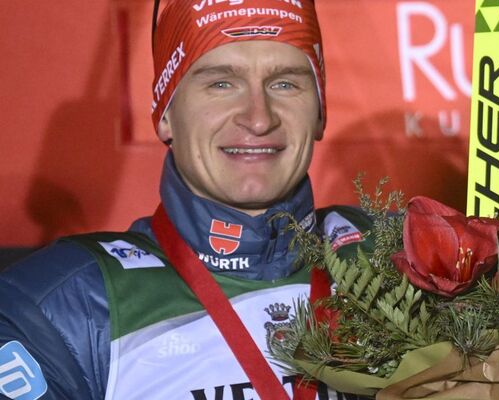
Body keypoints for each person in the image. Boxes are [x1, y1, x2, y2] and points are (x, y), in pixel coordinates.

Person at [0, 1, 371, 398]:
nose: (259, 118)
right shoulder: (63, 305)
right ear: (164, 114)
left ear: (319, 112)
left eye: (285, 83)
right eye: (221, 83)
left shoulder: (403, 257)